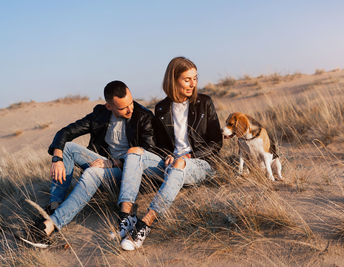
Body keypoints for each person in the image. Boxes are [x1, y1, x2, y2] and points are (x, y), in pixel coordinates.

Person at [19, 80, 157, 248]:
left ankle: (49, 227)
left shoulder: (143, 116)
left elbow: (148, 153)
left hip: (127, 173)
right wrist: (57, 159)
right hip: (102, 165)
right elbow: (65, 132)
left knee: (92, 173)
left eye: (131, 102)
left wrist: (113, 162)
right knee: (68, 147)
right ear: (109, 106)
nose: (130, 109)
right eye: (122, 108)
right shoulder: (100, 115)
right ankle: (55, 206)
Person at [117, 56, 223, 250]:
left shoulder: (204, 103)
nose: (193, 83)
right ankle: (126, 218)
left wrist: (189, 156)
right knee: (133, 153)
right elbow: (162, 144)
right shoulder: (162, 108)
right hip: (171, 163)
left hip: (200, 163)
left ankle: (145, 225)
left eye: (195, 78)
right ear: (173, 80)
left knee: (180, 164)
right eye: (187, 79)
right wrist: (167, 154)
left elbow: (216, 142)